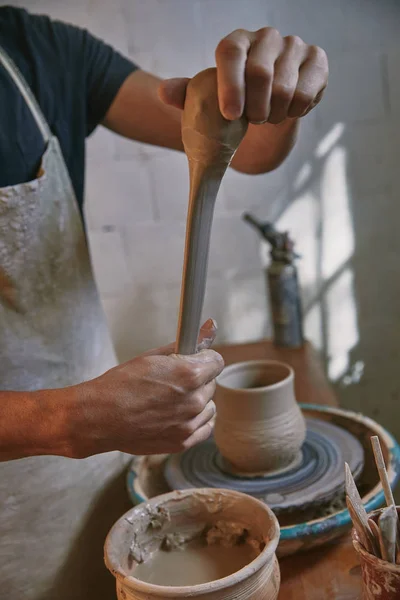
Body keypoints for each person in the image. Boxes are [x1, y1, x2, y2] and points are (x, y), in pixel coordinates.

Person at [0, 5, 329, 599]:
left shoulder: (32, 46)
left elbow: (249, 148)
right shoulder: (76, 420)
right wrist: (66, 418)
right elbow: (72, 420)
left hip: (88, 474)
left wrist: (272, 94)